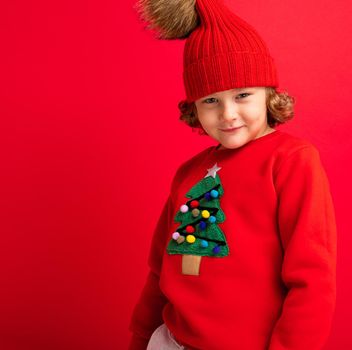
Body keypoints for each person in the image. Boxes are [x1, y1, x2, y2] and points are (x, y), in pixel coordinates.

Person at [128, 0, 337, 349]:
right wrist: (140, 336)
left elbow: (313, 279)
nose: (228, 114)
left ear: (269, 94)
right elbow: (159, 269)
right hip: (171, 341)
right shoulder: (189, 174)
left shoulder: (291, 161)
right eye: (210, 100)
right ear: (193, 106)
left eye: (243, 95)